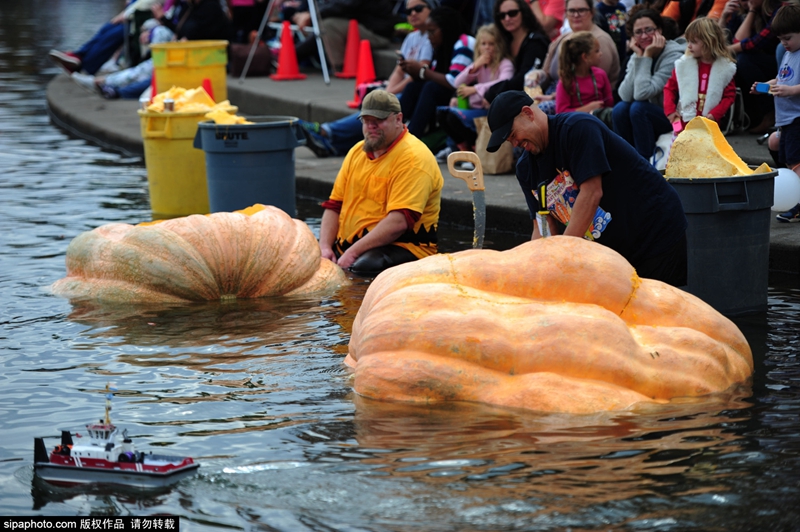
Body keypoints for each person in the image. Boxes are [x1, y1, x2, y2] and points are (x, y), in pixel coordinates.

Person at [485, 90, 688, 286]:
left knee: (655, 313)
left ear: (528, 114)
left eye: (513, 135)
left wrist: (563, 256)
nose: (515, 144)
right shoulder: (525, 169)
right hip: (614, 256)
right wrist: (534, 266)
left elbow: (591, 193)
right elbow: (542, 225)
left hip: (656, 234)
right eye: (509, 141)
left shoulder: (578, 128)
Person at [318, 90, 444, 276]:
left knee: (363, 267)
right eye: (366, 120)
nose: (371, 126)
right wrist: (325, 247)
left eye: (379, 120)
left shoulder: (413, 158)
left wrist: (352, 253)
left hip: (405, 247)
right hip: (356, 247)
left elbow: (398, 223)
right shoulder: (356, 152)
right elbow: (334, 205)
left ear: (398, 119)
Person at [298, 0, 435, 157]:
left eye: (418, 9)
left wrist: (389, 94)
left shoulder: (430, 39)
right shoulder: (412, 37)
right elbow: (399, 71)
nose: (412, 14)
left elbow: (418, 75)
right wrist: (387, 91)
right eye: (408, 11)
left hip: (415, 91)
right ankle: (332, 144)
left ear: (432, 9)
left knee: (380, 111)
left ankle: (325, 131)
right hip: (402, 89)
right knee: (376, 108)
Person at [612, 9, 685, 159]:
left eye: (649, 30)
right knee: (620, 109)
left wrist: (646, 57)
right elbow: (624, 95)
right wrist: (640, 56)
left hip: (674, 118)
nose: (644, 36)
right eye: (638, 32)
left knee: (639, 108)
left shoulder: (674, 55)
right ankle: (624, 160)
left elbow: (642, 93)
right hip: (645, 117)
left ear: (659, 30)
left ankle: (643, 162)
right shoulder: (638, 54)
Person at [524, 0, 620, 113]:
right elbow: (547, 72)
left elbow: (592, 88)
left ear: (592, 12)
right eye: (571, 11)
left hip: (578, 105)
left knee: (539, 112)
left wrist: (556, 97)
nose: (576, 15)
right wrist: (538, 75)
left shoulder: (599, 41)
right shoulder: (563, 38)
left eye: (581, 10)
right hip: (556, 94)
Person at [398, 6, 475, 140]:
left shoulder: (464, 42)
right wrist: (413, 71)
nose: (429, 37)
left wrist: (422, 71)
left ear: (446, 29)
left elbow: (455, 81)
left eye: (432, 32)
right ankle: (395, 131)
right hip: (451, 93)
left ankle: (412, 138)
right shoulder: (442, 45)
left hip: (468, 95)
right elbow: (434, 74)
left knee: (431, 88)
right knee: (413, 87)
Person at [436, 24, 514, 156]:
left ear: (499, 46)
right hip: (476, 107)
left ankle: (475, 151)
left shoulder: (505, 63)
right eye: (483, 44)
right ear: (478, 46)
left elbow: (504, 82)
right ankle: (464, 151)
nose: (487, 47)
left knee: (453, 117)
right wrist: (475, 66)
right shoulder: (480, 65)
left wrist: (475, 89)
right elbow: (457, 82)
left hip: (491, 109)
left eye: (491, 44)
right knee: (442, 114)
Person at [754, 3, 800, 222]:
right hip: (786, 120)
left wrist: (792, 90)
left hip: (797, 119)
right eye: (780, 39)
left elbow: (789, 86)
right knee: (779, 149)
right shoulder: (789, 54)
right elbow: (781, 80)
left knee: (795, 161)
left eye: (788, 38)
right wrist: (763, 86)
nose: (784, 43)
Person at [48, 0, 162, 75]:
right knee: (108, 28)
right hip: (136, 18)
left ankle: (82, 63)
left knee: (117, 32)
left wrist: (127, 13)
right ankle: (79, 56)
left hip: (144, 20)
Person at [663, 17, 737, 133]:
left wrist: (715, 113)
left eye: (694, 42)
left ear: (709, 42)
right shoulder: (683, 65)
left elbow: (729, 96)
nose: (689, 46)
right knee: (682, 149)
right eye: (688, 41)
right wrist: (671, 111)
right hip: (683, 123)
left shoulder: (725, 69)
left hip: (709, 125)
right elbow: (669, 88)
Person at [292, 0, 397, 71]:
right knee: (326, 23)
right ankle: (293, 54)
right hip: (364, 27)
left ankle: (340, 66)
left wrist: (311, 15)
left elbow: (343, 6)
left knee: (328, 25)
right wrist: (308, 14)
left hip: (377, 34)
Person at [728, 0, 781, 133]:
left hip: (777, 64)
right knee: (737, 62)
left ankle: (770, 113)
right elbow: (735, 39)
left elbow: (755, 43)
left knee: (744, 60)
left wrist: (725, 50)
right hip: (758, 65)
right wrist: (751, 11)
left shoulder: (777, 10)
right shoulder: (740, 12)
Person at [484, 0, 551, 102]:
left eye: (512, 13)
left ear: (523, 13)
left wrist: (491, 92)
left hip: (531, 103)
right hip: (501, 100)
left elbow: (524, 79)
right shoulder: (502, 42)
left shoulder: (536, 43)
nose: (507, 18)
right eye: (502, 15)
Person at [554, 31, 614, 113]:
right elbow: (561, 112)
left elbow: (609, 101)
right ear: (585, 57)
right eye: (596, 51)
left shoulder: (601, 74)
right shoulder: (567, 80)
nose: (601, 53)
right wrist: (587, 109)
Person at [594, 0, 627, 66]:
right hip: (609, 50)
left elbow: (624, 26)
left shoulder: (622, 7)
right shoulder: (599, 10)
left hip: (623, 50)